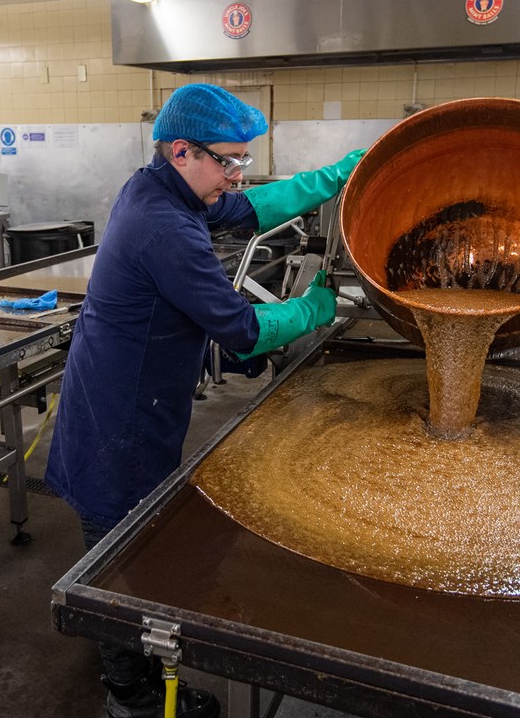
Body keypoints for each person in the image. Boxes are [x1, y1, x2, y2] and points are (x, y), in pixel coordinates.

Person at [45, 83, 365, 718]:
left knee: (127, 542)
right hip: (120, 416)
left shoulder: (161, 187)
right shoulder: (161, 225)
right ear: (182, 150)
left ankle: (121, 654)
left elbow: (248, 211)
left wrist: (330, 179)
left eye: (242, 159)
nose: (237, 173)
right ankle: (129, 696)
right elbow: (242, 328)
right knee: (119, 556)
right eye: (229, 160)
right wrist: (315, 307)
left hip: (138, 397)